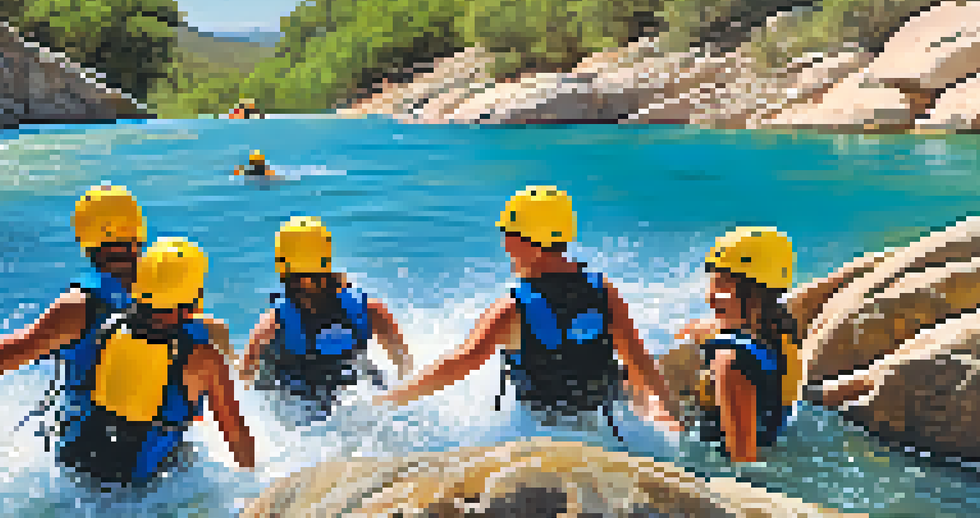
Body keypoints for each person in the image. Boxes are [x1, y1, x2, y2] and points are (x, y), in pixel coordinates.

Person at [0, 187, 241, 478]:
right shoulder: (173, 289)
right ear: (139, 231)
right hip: (166, 459)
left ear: (83, 238)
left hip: (92, 465)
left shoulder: (78, 306)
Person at [379, 186, 681, 435]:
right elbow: (637, 358)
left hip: (546, 431)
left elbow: (462, 362)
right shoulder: (604, 292)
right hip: (605, 421)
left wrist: (393, 399)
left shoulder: (513, 308)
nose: (505, 246)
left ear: (528, 243)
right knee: (625, 381)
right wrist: (670, 408)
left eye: (508, 236)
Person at [236, 216, 414, 421]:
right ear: (326, 258)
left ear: (282, 262)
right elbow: (404, 365)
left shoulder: (273, 322)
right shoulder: (370, 309)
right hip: (350, 400)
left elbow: (243, 381)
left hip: (298, 413)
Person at [673, 227, 802, 462]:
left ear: (754, 292)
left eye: (722, 286)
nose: (709, 297)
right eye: (711, 284)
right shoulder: (782, 331)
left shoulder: (730, 362)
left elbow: (742, 461)